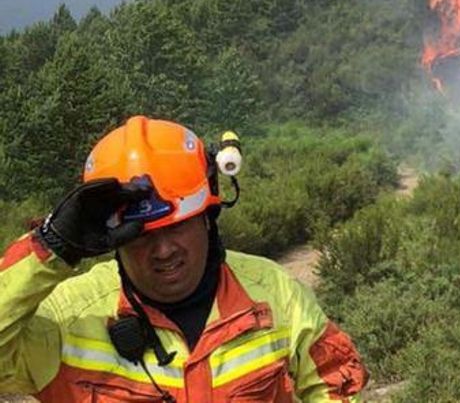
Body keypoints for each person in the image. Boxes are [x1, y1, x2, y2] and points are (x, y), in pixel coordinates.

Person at [0, 116, 368, 401]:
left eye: (176, 228)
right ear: (111, 238)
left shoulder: (275, 295)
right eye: (141, 235)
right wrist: (50, 245)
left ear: (207, 218)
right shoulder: (69, 317)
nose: (163, 251)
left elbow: (336, 383)